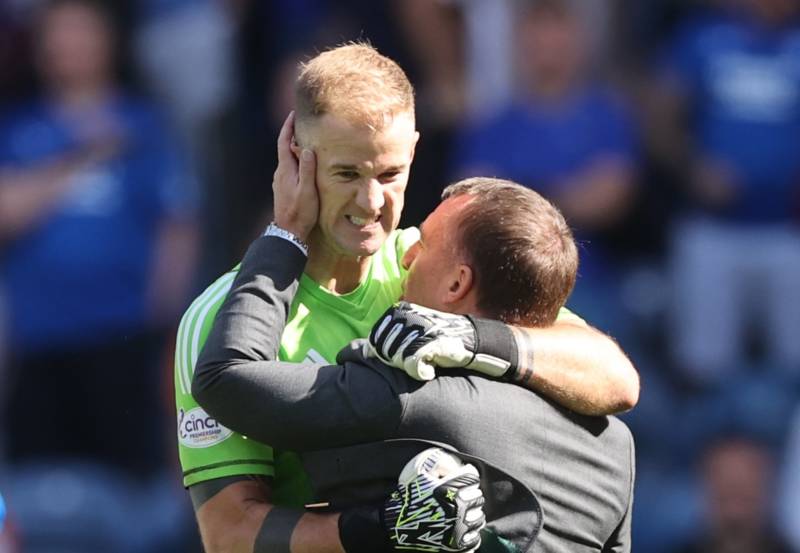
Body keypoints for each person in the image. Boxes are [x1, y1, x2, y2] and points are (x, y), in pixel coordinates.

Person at [176, 43, 639, 552]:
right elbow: (228, 535)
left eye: (389, 175)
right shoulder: (226, 316)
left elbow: (613, 373)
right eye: (347, 174)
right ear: (295, 160)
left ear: (414, 152)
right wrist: (379, 528)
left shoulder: (430, 265)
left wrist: (471, 337)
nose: (370, 203)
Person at [0, 0, 197, 477]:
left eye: (82, 31)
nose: (71, 44)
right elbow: (7, 210)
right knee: (42, 489)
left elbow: (177, 227)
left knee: (128, 488)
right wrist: (83, 157)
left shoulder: (146, 124)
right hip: (40, 338)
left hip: (123, 336)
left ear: (109, 40)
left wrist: (164, 327)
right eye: (60, 33)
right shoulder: (20, 129)